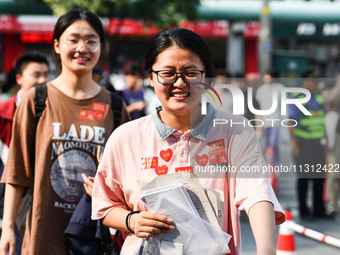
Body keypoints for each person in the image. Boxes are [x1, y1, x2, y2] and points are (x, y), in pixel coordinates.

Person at [91, 28, 285, 255]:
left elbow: (256, 194)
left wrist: (266, 250)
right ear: (151, 78)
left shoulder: (235, 131)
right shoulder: (126, 137)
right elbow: (105, 205)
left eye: (191, 73)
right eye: (168, 73)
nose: (180, 83)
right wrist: (132, 220)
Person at [0, 9, 129, 255]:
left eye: (91, 41)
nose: (83, 48)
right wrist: (7, 228)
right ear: (57, 45)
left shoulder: (114, 106)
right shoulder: (36, 100)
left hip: (93, 236)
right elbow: (16, 172)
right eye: (74, 39)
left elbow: (124, 176)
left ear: (101, 47)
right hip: (42, 232)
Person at [0, 52, 49, 255]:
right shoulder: (3, 112)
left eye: (46, 75)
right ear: (19, 78)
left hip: (41, 199)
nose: (42, 80)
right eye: (36, 74)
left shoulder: (52, 110)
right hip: (7, 197)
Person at [288, 69, 331, 220]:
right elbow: (291, 121)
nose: (316, 84)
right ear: (305, 82)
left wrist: (326, 141)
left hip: (318, 143)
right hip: (303, 142)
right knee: (304, 177)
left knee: (319, 177)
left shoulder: (319, 98)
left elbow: (323, 121)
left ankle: (319, 210)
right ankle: (304, 211)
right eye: (314, 81)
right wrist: (294, 144)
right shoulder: (298, 98)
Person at [256, 69, 285, 167]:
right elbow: (258, 108)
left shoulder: (280, 88)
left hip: (276, 122)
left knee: (273, 145)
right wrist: (258, 125)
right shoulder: (261, 90)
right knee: (263, 146)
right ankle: (264, 165)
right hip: (264, 123)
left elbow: (285, 107)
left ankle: (275, 166)